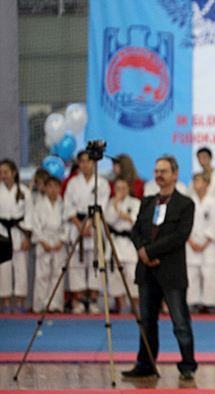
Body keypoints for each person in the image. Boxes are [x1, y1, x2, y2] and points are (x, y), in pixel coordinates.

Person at [123, 155, 197, 380]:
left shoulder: (185, 204)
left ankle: (187, 364)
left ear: (175, 174)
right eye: (156, 171)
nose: (159, 175)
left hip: (171, 270)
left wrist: (151, 252)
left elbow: (179, 236)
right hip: (146, 270)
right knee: (146, 321)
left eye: (164, 171)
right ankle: (145, 363)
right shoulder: (147, 202)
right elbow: (136, 231)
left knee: (179, 320)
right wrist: (142, 251)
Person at [64, 150, 111, 314]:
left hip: (94, 226)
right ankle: (79, 300)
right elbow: (68, 207)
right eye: (82, 161)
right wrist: (80, 225)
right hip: (77, 226)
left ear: (94, 163)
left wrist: (90, 225)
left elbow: (103, 206)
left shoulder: (102, 183)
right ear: (78, 163)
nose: (85, 164)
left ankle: (92, 299)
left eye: (88, 161)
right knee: (76, 265)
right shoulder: (72, 183)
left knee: (95, 264)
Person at [30, 175, 67, 313]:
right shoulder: (39, 204)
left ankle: (55, 305)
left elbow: (66, 224)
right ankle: (40, 305)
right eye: (49, 186)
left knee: (57, 274)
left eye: (55, 186)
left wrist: (61, 240)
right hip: (43, 240)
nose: (52, 190)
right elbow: (36, 224)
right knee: (42, 275)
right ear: (45, 188)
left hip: (58, 241)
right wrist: (42, 240)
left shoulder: (63, 204)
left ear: (59, 188)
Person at [104, 176, 141, 313]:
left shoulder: (135, 203)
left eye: (123, 188)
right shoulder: (110, 203)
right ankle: (119, 303)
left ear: (129, 189)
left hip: (130, 243)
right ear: (114, 189)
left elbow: (137, 221)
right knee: (115, 275)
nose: (121, 191)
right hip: (115, 242)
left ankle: (134, 305)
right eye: (118, 188)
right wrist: (115, 206)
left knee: (132, 274)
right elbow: (109, 221)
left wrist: (126, 215)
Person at [0, 159, 32, 313]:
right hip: (2, 233)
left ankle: (19, 302)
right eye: (0, 173)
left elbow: (30, 215)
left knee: (20, 268)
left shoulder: (24, 192)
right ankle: (5, 302)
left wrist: (28, 237)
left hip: (19, 232)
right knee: (3, 269)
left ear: (14, 173)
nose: (3, 175)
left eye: (6, 172)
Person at [187, 173, 215, 314]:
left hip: (208, 244)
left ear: (207, 184)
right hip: (191, 243)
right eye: (194, 181)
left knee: (209, 274)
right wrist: (190, 240)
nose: (196, 184)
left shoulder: (213, 201)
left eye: (199, 181)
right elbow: (184, 224)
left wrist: (206, 242)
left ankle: (209, 303)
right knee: (192, 274)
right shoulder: (189, 201)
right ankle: (192, 301)